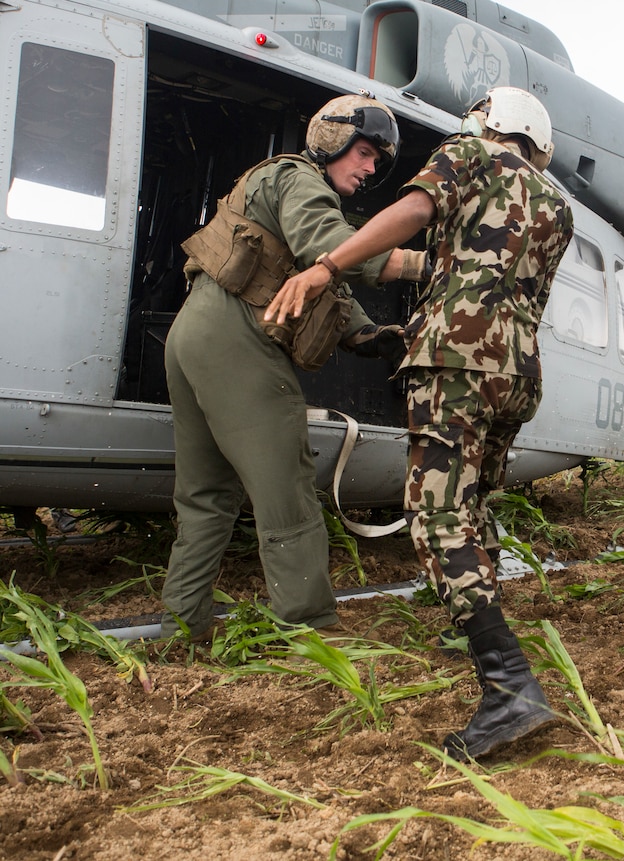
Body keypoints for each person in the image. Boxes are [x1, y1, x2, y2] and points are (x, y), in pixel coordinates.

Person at [267, 87, 573, 760]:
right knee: (474, 501)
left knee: (436, 514)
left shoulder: (468, 155)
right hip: (516, 370)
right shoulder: (555, 202)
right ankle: (475, 626)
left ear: (488, 124)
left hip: (456, 363)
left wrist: (328, 266)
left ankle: (510, 687)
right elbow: (483, 278)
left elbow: (412, 211)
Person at [161, 93, 424, 642]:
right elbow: (330, 249)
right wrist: (432, 265)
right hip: (237, 340)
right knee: (288, 493)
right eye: (366, 152)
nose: (372, 167)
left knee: (206, 498)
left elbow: (318, 275)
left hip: (192, 334)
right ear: (331, 137)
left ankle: (181, 631)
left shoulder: (271, 182)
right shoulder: (299, 178)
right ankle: (312, 637)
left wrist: (369, 335)